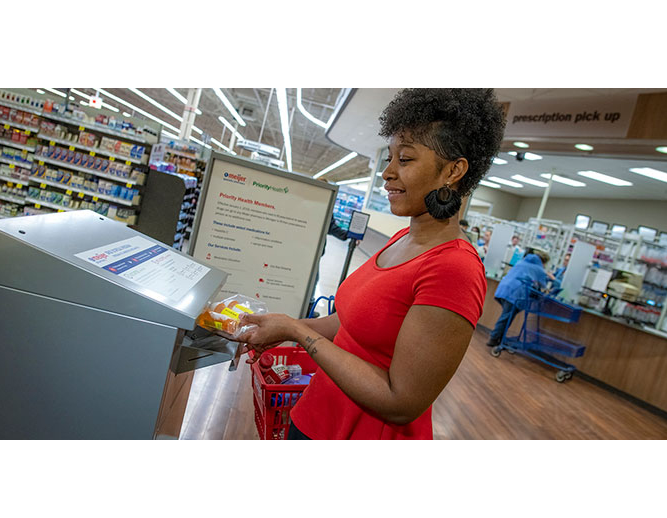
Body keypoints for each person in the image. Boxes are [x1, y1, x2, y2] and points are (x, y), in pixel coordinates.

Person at [233, 88, 506, 440]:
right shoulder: (401, 240)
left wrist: (296, 332)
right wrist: (283, 328)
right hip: (315, 416)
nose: (387, 172)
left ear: (453, 170)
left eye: (404, 159)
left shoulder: (454, 269)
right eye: (389, 158)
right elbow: (348, 324)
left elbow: (401, 401)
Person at [486, 251, 554, 347]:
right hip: (515, 294)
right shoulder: (539, 269)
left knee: (507, 316)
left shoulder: (522, 262)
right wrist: (551, 278)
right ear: (544, 262)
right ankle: (493, 338)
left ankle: (499, 338)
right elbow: (543, 285)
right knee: (506, 317)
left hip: (504, 289)